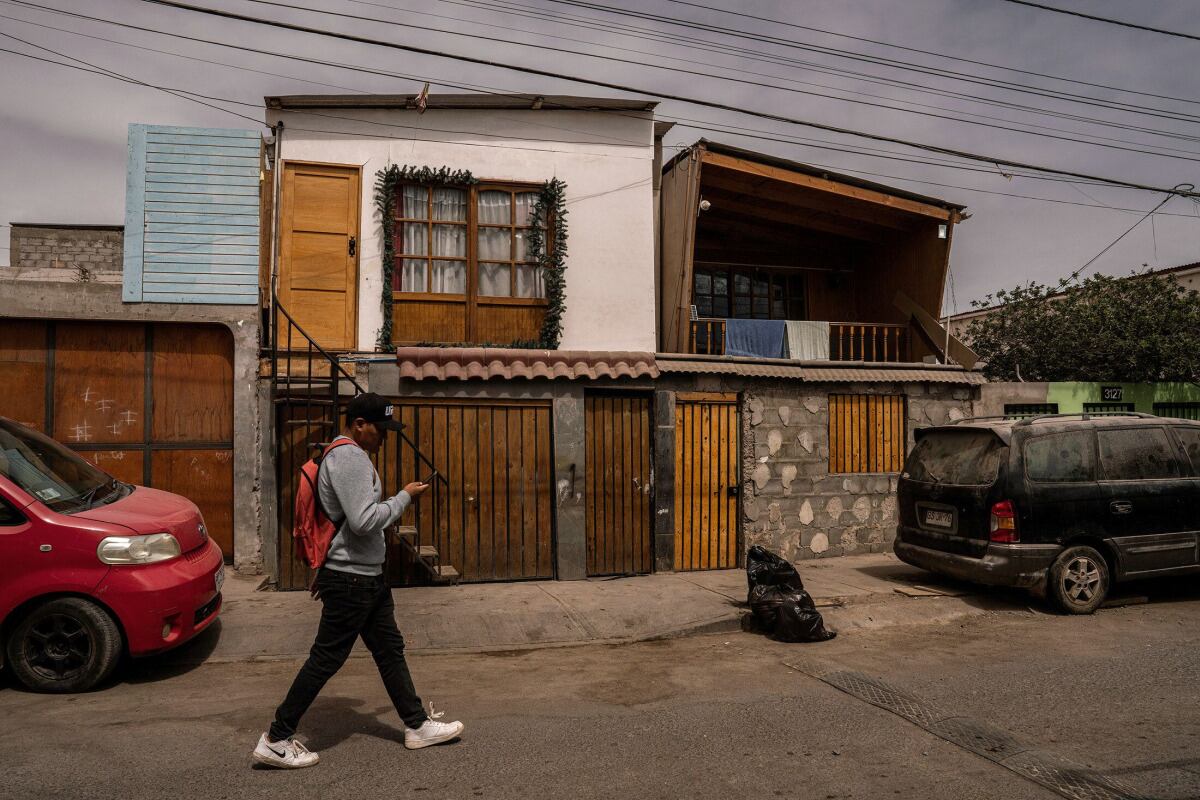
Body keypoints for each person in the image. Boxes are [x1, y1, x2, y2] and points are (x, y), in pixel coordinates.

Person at [253, 393, 464, 769]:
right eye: (380, 430)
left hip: (364, 577)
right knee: (326, 659)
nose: (384, 437)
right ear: (359, 425)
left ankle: (417, 726)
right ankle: (276, 738)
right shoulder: (350, 457)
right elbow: (363, 520)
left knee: (389, 651)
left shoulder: (345, 455)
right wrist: (404, 497)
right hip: (352, 580)